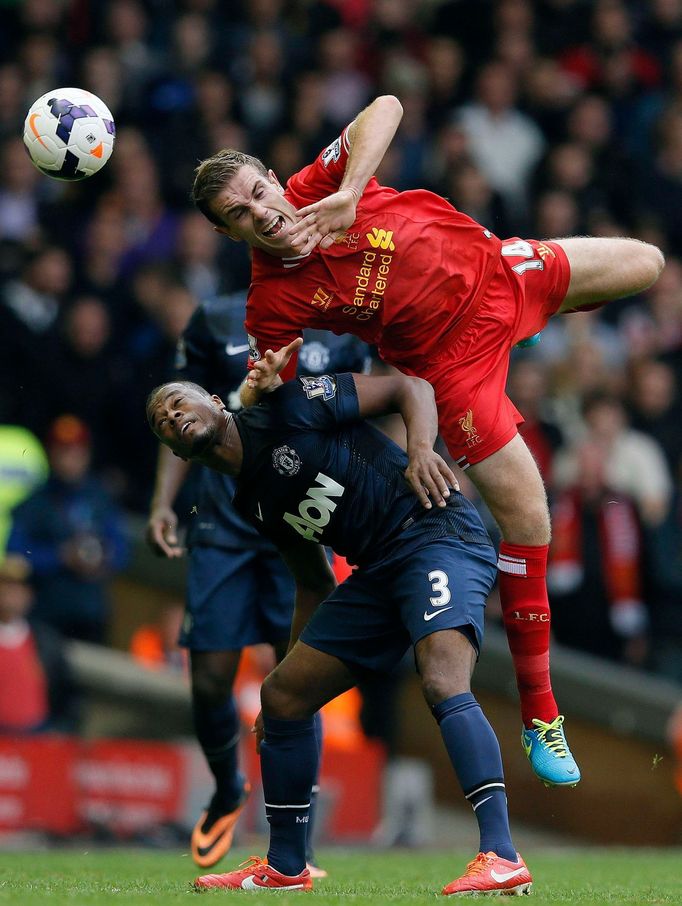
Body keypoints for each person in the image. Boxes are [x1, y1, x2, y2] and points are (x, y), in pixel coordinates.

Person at [189, 94, 666, 785]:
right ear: (232, 234)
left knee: (647, 265)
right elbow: (269, 393)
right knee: (529, 518)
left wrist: (352, 191)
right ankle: (541, 714)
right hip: (449, 364)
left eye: (259, 192)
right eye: (240, 214)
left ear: (272, 177)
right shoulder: (272, 301)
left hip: (502, 272)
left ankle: (546, 318)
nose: (262, 211)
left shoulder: (319, 185)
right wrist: (261, 383)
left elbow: (385, 105)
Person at [146, 369, 533, 896]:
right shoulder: (250, 501)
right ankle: (286, 866)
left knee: (443, 679)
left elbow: (409, 387)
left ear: (217, 402)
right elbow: (312, 581)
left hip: (434, 531)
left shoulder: (291, 406)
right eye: (162, 422)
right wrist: (288, 668)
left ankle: (502, 855)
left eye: (176, 401)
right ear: (177, 452)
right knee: (281, 697)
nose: (171, 415)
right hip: (378, 570)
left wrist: (421, 449)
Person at [145, 290, 370, 872]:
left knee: (298, 678)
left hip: (296, 515)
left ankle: (300, 841)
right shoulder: (215, 315)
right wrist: (162, 503)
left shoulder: (340, 322)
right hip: (223, 519)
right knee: (210, 679)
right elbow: (177, 414)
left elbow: (361, 417)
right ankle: (226, 789)